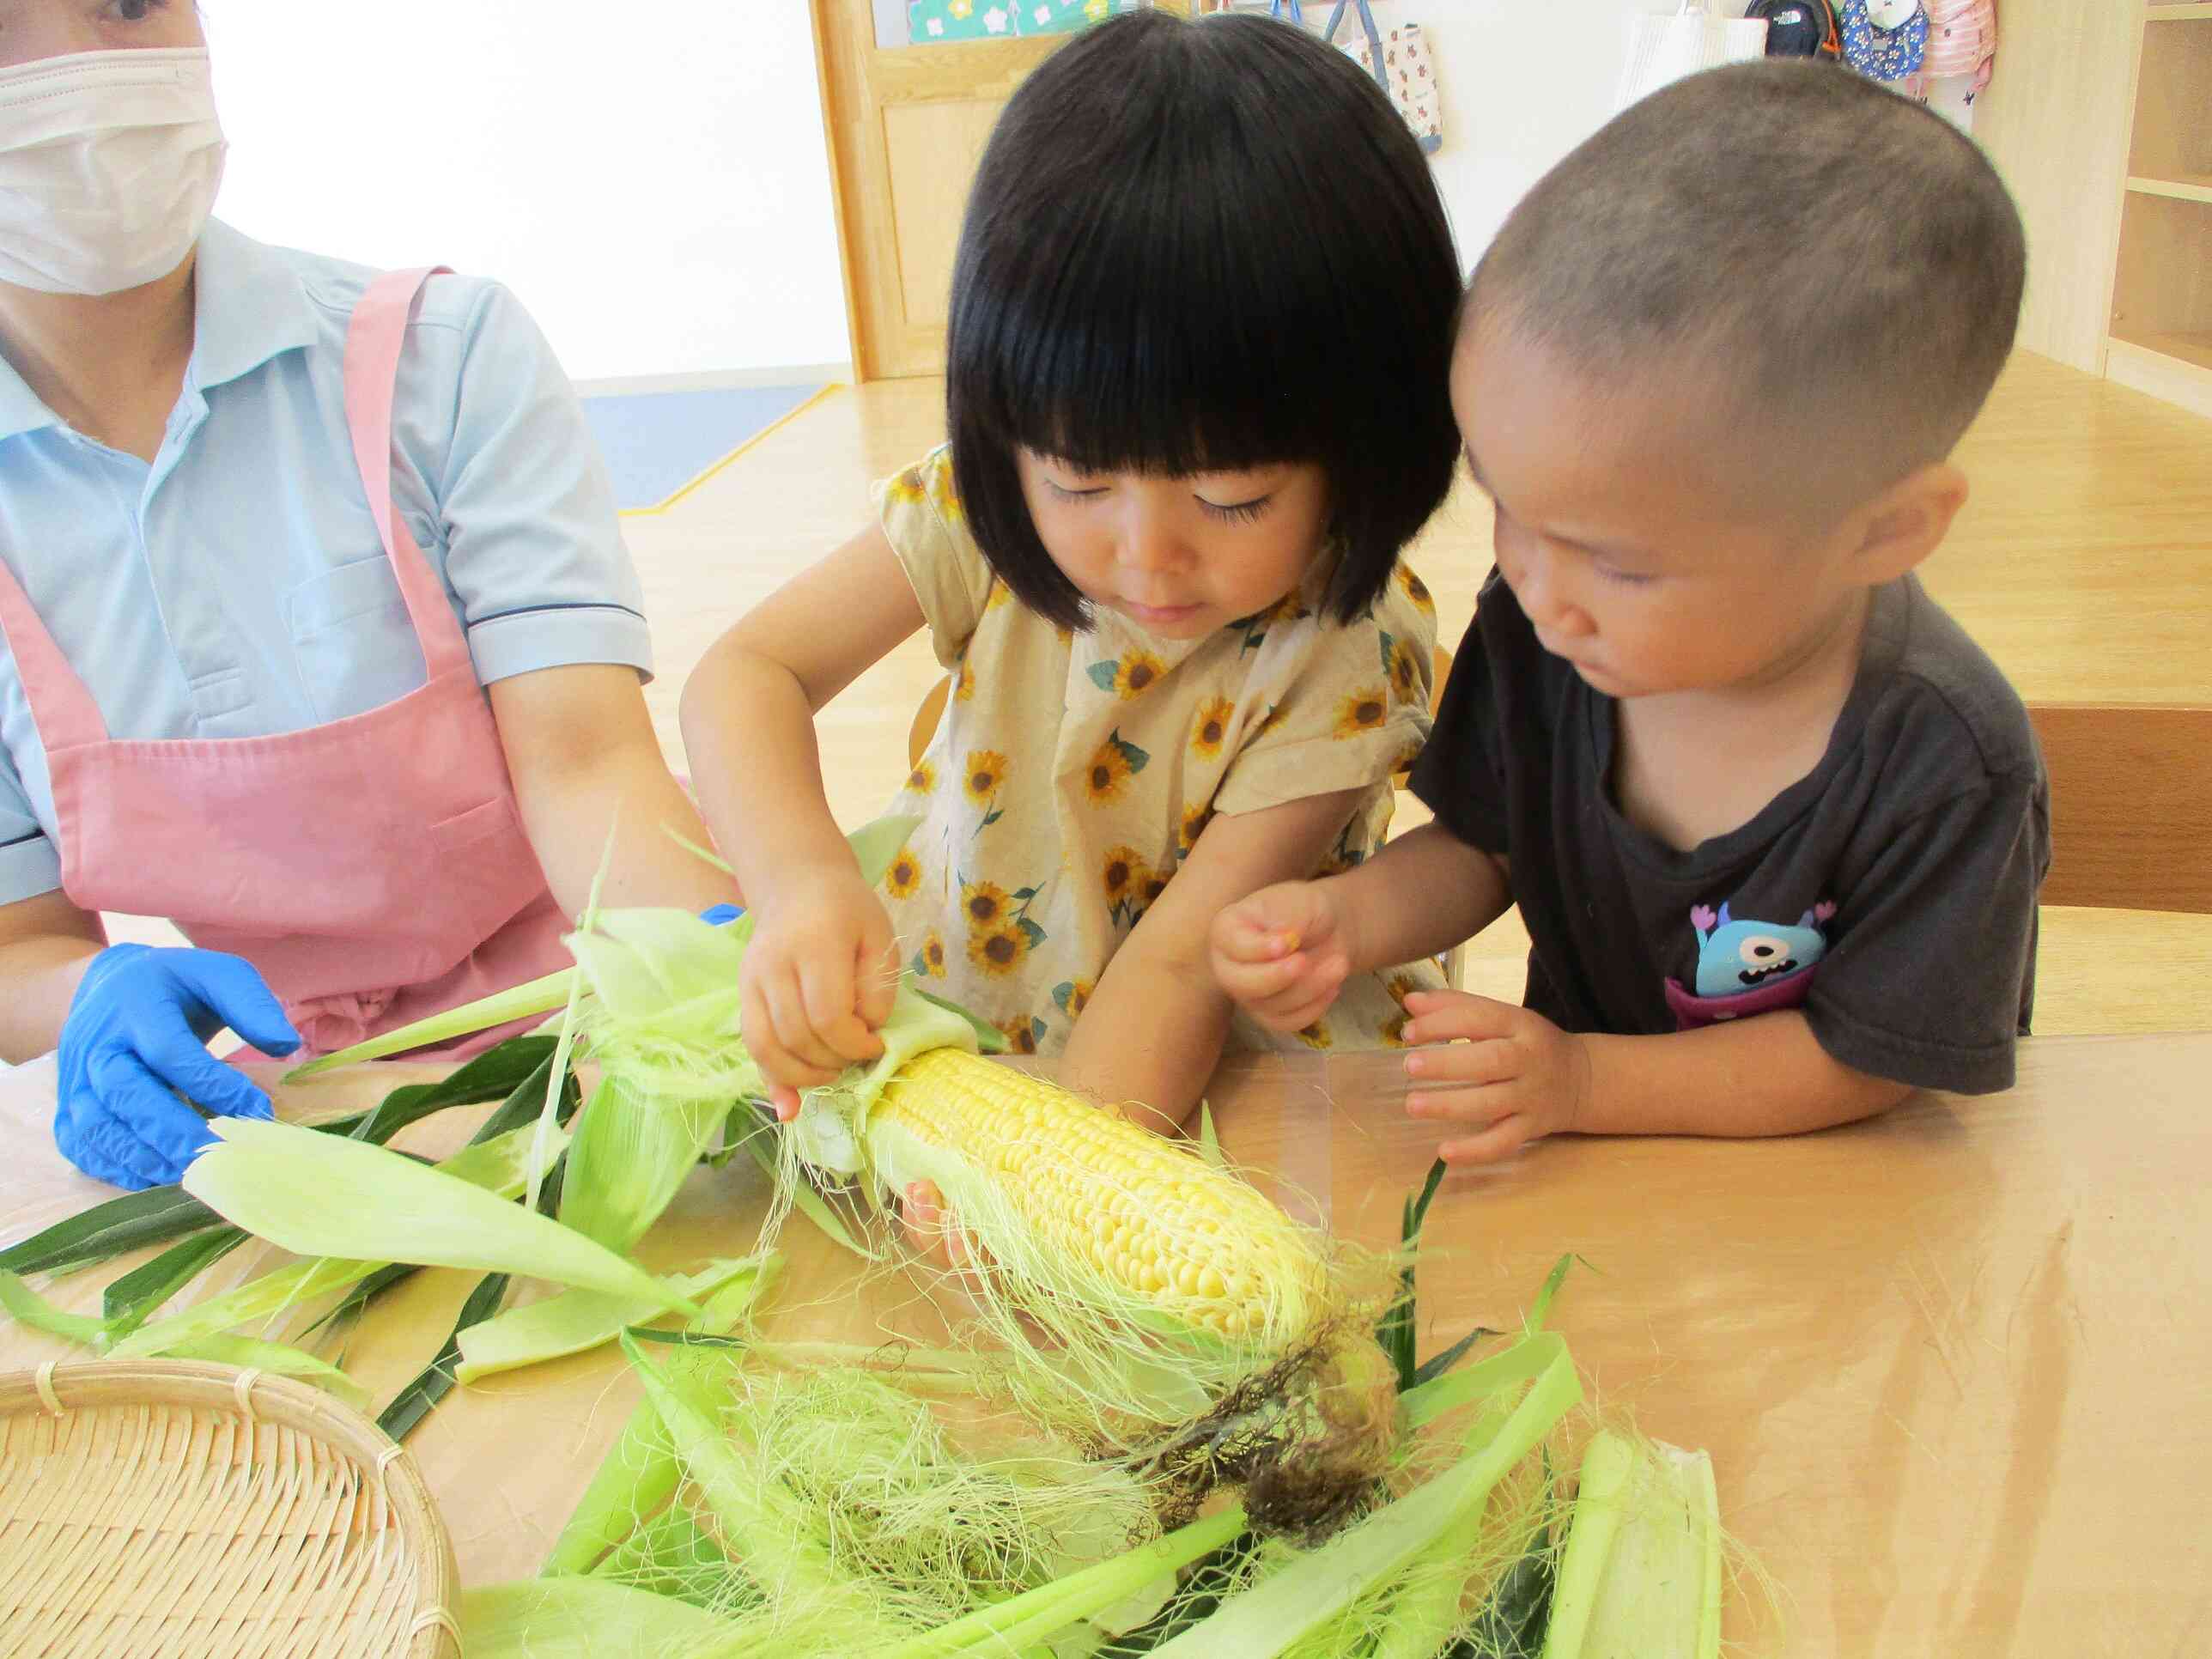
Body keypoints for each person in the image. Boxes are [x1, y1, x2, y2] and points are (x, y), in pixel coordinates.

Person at [1212, 62, 2050, 1164]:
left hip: (1831, 1189)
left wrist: (1586, 1078)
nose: (1536, 586)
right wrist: (1348, 920)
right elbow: (1484, 848)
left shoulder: (1945, 762)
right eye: (1506, 506)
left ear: (1880, 532)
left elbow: (1872, 1056)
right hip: (1582, 1163)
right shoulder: (1543, 629)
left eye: (1617, 563)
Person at [680, 9, 1462, 1149]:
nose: (1145, 554)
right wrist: (799, 883)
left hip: (1205, 1080)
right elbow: (746, 674)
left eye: (1232, 497)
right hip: (967, 1014)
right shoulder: (982, 509)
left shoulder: (1344, 651)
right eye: (1081, 479)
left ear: (1366, 446)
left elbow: (1185, 965)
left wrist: (1052, 1183)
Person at [0, 0, 734, 1188]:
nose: (82, 79)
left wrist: (716, 977)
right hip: (287, 1100)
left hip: (607, 1012)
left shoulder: (441, 359)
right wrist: (87, 997)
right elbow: (20, 944)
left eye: (129, 4)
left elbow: (587, 760)